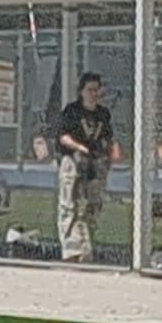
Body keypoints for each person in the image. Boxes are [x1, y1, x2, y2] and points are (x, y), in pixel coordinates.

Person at [52, 72, 123, 263]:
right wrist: (80, 147)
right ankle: (71, 248)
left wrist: (111, 152)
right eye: (89, 90)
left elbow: (108, 137)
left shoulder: (102, 114)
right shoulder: (72, 111)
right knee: (71, 204)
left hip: (95, 163)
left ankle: (86, 246)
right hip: (73, 161)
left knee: (92, 205)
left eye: (96, 90)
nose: (93, 94)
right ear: (81, 92)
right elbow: (63, 136)